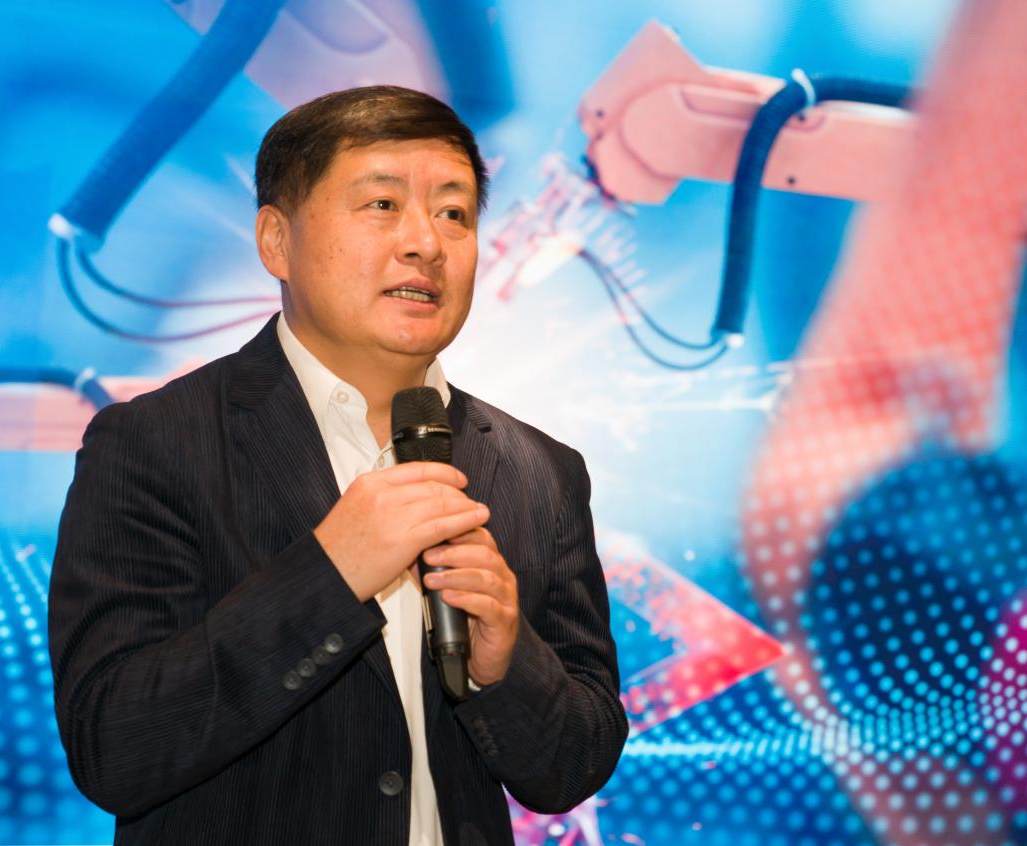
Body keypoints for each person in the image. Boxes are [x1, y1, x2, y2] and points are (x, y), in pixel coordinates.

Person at [48, 85, 629, 846]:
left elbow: (574, 767)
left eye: (454, 213)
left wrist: (506, 663)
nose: (426, 243)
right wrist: (331, 573)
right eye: (382, 205)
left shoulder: (541, 471)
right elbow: (113, 746)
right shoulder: (152, 442)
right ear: (275, 241)